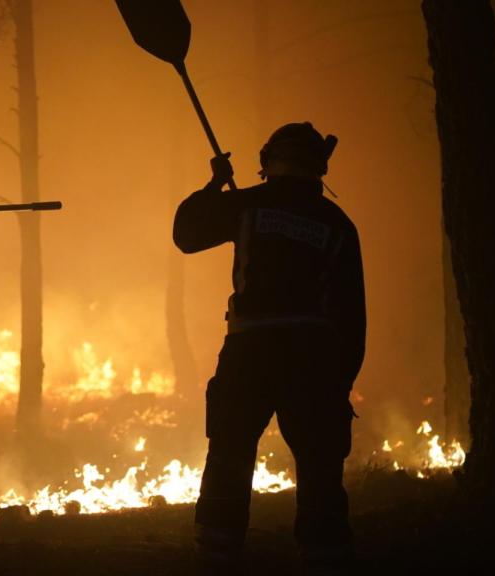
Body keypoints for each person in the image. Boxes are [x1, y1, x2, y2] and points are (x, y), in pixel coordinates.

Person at [173, 122, 365, 575]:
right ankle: (326, 556)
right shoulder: (336, 224)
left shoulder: (247, 205)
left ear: (267, 162)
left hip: (249, 353)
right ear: (318, 168)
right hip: (312, 357)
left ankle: (217, 554)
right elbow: (352, 312)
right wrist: (342, 380)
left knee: (231, 453)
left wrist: (215, 185)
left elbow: (186, 235)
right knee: (319, 464)